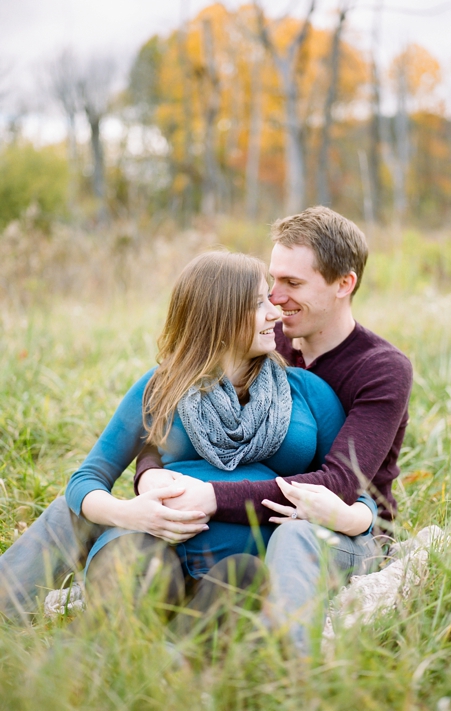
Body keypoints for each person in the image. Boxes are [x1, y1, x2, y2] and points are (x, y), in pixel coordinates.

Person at [0, 208, 412, 653]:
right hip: (178, 537)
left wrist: (211, 496)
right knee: (83, 518)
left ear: (343, 284)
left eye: (291, 285)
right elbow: (158, 431)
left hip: (314, 534)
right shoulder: (254, 349)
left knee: (258, 564)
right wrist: (147, 478)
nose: (275, 302)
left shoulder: (360, 373)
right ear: (221, 317)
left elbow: (342, 486)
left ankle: (286, 660)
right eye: (269, 287)